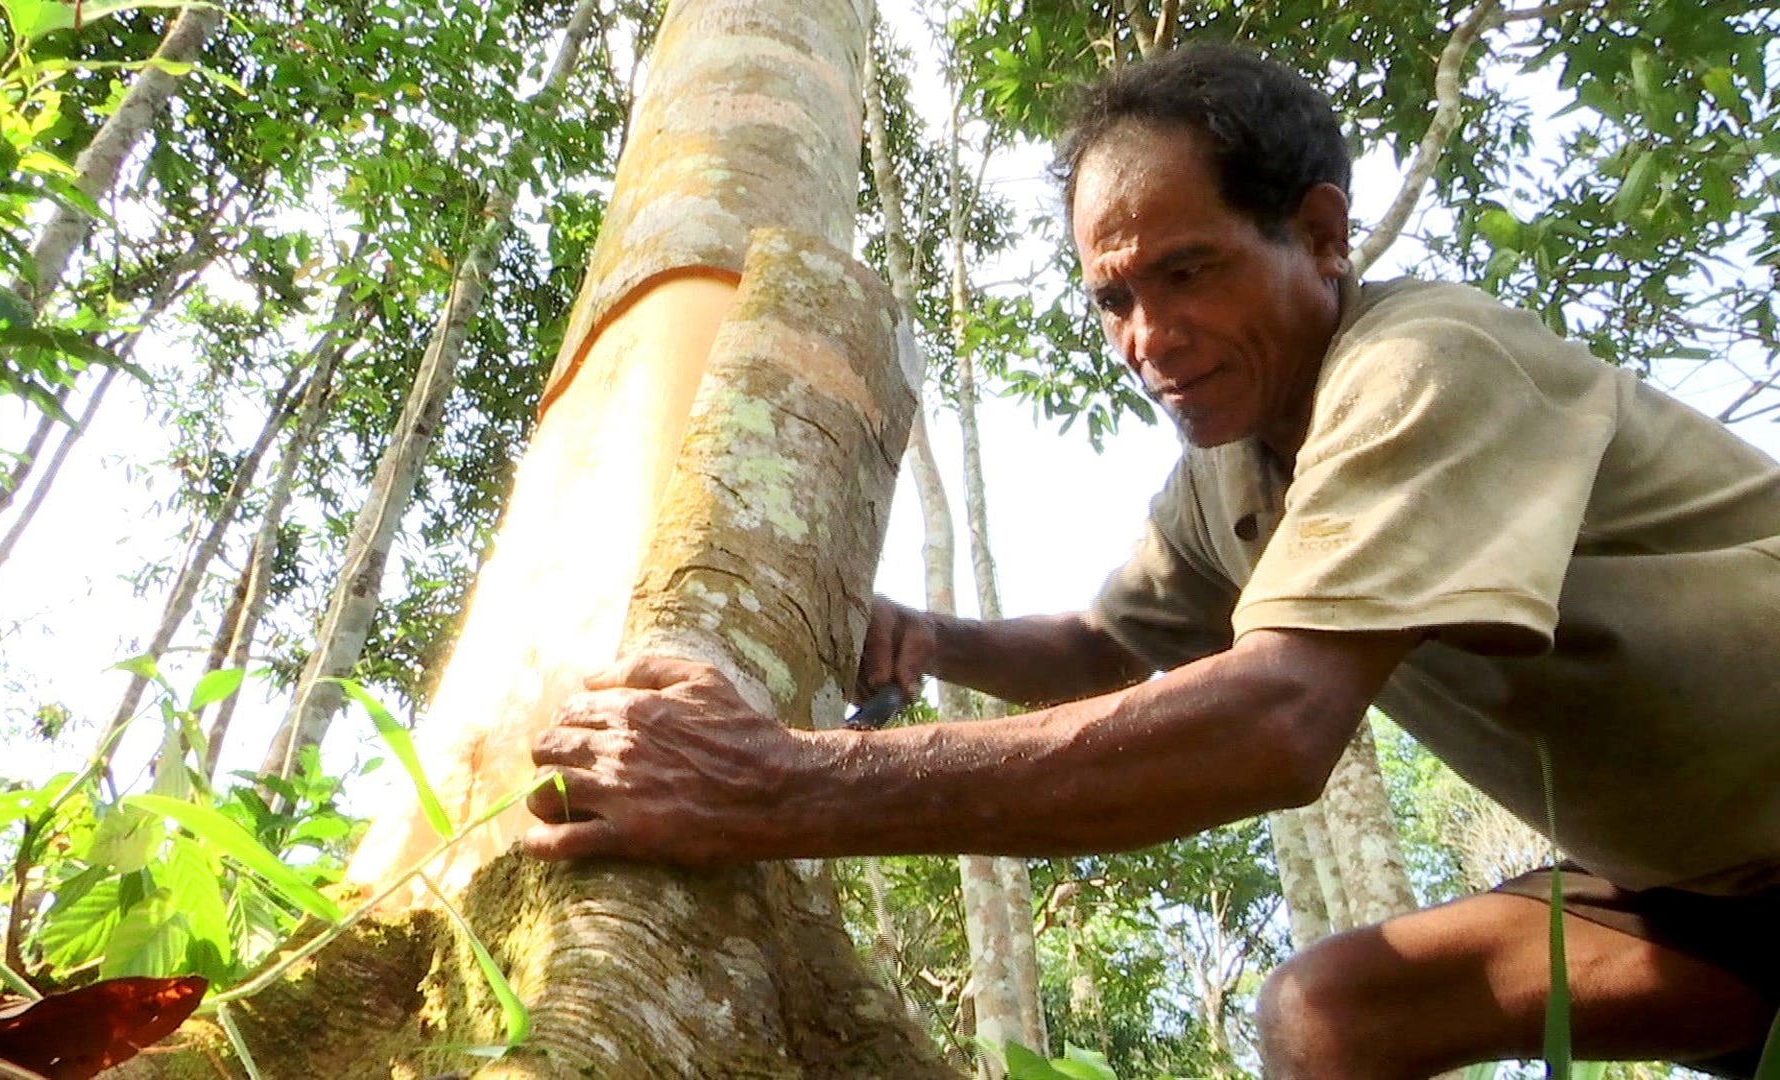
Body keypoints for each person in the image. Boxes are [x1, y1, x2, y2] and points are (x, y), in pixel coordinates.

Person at [523, 43, 1780, 1078]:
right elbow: (1108, 651)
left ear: (1322, 233)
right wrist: (933, 636)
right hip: (1692, 886)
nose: (1149, 338)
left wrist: (775, 787)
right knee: (1333, 1022)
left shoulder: (1427, 363)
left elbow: (1275, 721)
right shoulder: (1228, 477)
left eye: (1189, 273)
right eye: (1114, 299)